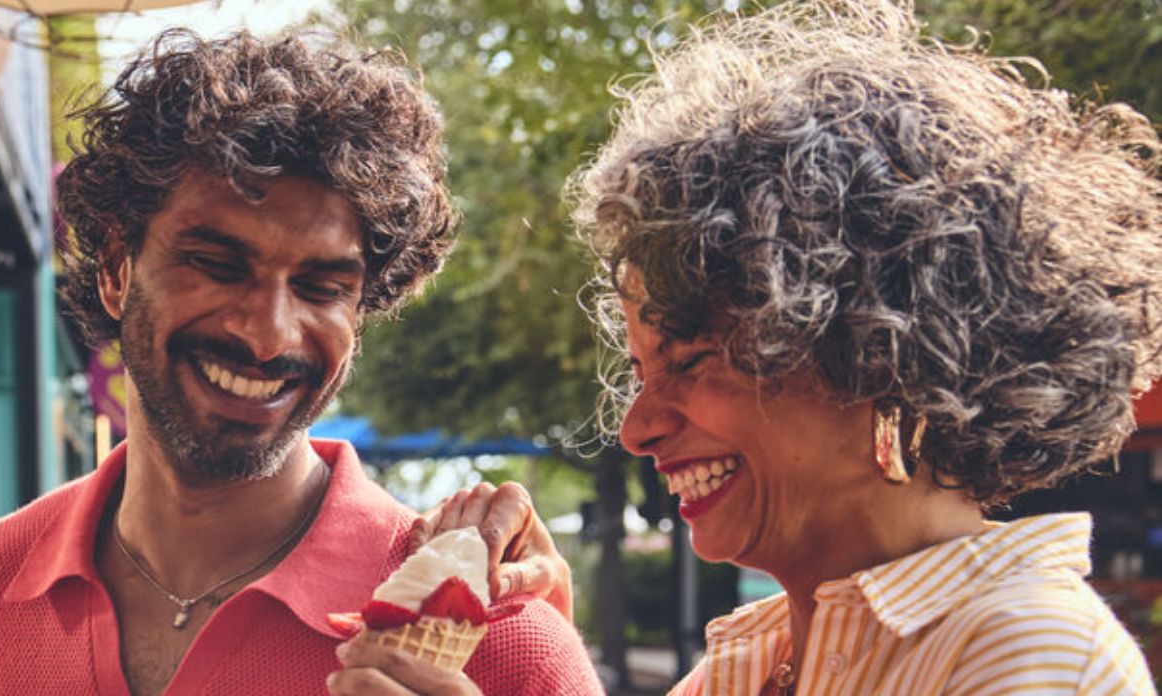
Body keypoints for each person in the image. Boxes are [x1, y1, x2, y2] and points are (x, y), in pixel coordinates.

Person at [351, 1, 1162, 694]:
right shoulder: (759, 654)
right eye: (639, 370)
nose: (636, 429)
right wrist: (540, 633)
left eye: (691, 359)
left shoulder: (1029, 653)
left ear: (879, 353)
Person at [0, 29, 598, 695]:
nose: (269, 337)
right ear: (116, 267)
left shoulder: (507, 651)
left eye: (323, 287)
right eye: (216, 264)